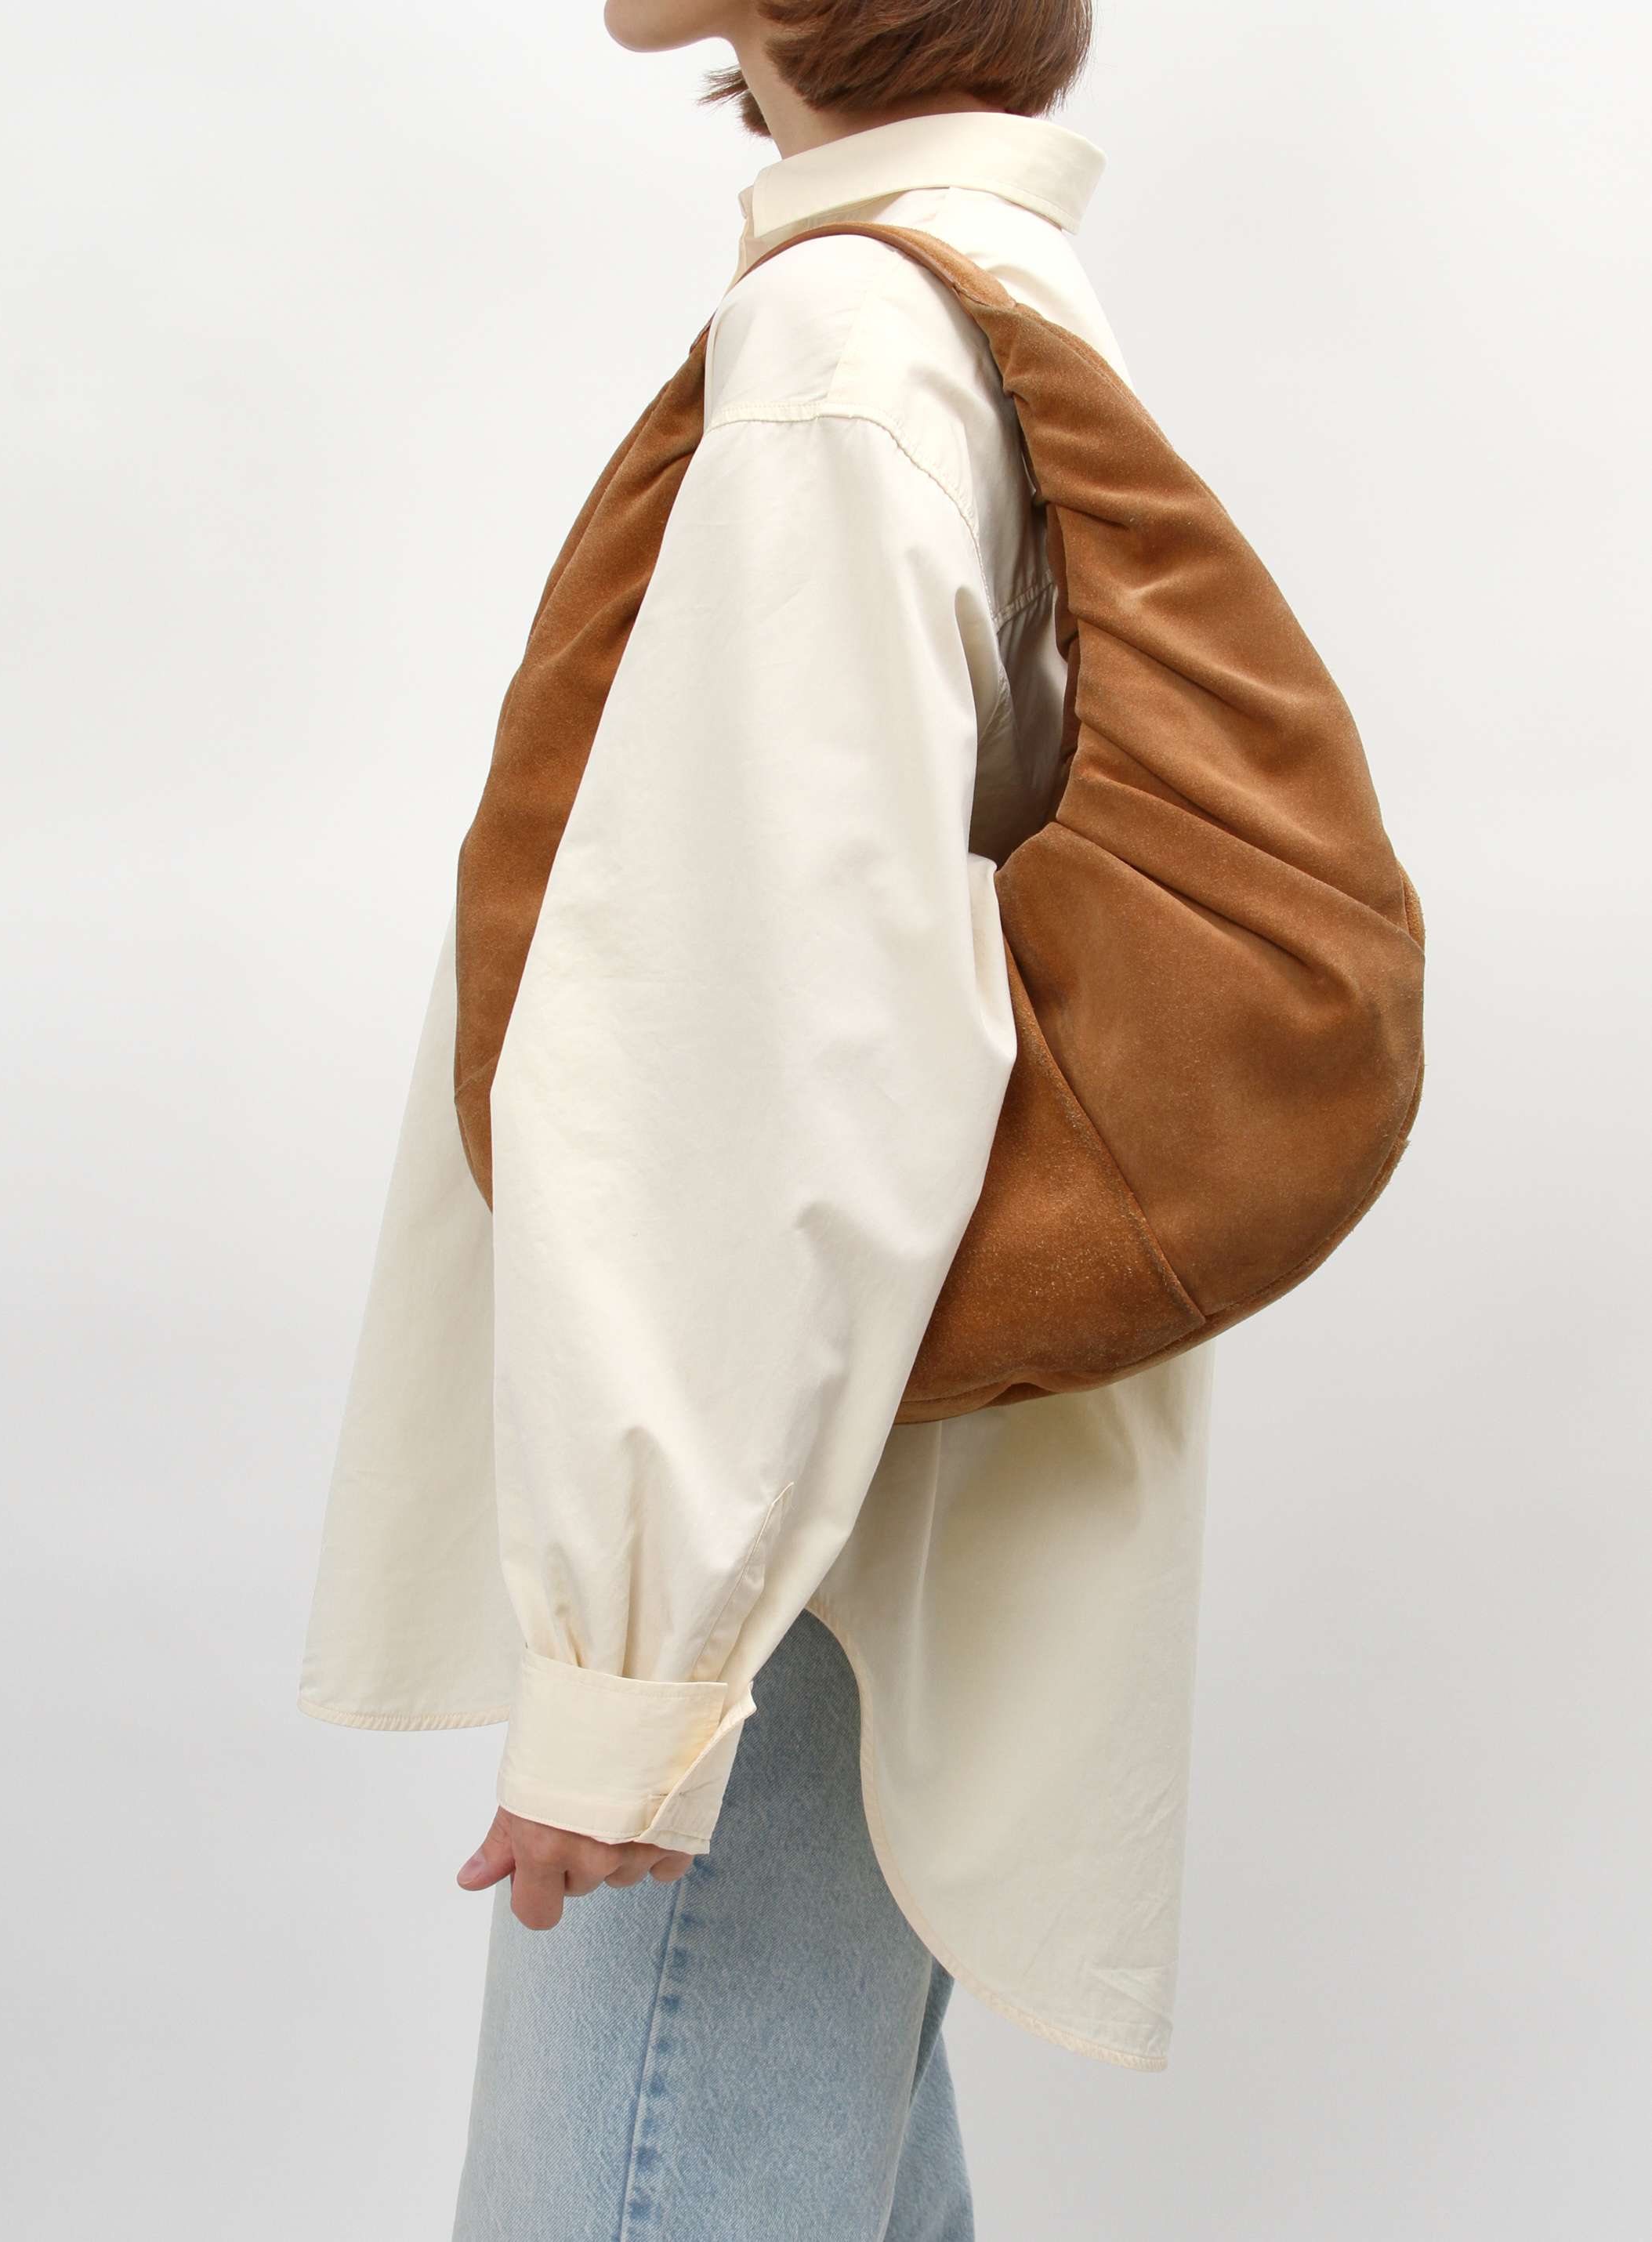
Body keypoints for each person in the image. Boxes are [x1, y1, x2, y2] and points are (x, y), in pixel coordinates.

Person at [300, 4, 1216, 2233]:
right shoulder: (977, 290)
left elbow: (772, 1053)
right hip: (834, 1490)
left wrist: (637, 1678)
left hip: (764, 1550)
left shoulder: (839, 340)